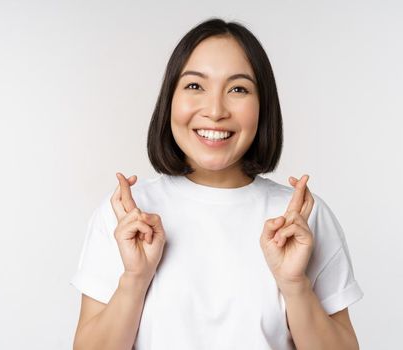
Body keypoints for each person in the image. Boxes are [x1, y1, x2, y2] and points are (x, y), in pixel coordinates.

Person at [70, 18, 363, 349]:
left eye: (238, 89)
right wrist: (135, 279)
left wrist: (294, 285)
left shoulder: (301, 219)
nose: (215, 110)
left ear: (263, 106)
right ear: (170, 99)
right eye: (195, 86)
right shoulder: (126, 216)